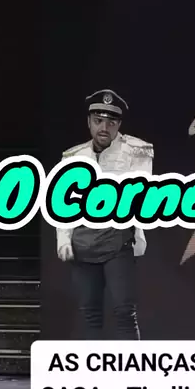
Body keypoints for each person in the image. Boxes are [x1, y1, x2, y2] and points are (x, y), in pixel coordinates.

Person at [56, 88, 153, 342]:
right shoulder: (73, 157)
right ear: (89, 122)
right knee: (89, 313)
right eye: (98, 121)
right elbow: (64, 204)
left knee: (124, 312)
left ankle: (131, 367)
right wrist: (63, 239)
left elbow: (139, 198)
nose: (104, 128)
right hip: (83, 243)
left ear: (118, 125)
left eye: (111, 123)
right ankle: (94, 367)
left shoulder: (136, 152)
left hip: (117, 239)